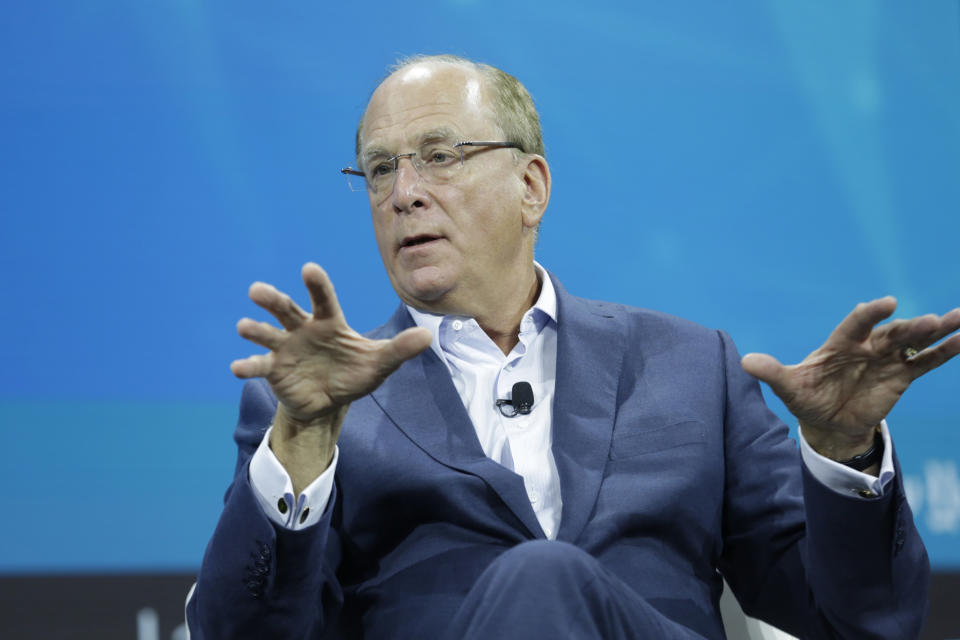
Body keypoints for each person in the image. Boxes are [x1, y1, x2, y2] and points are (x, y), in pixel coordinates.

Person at [187, 54, 959, 639]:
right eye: (380, 168)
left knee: (547, 576)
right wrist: (302, 438)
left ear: (532, 187)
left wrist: (844, 450)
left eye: (439, 155)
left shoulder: (693, 368)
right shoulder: (321, 405)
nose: (403, 192)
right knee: (540, 579)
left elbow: (863, 623)